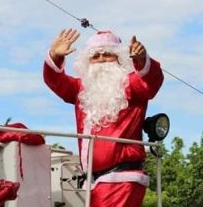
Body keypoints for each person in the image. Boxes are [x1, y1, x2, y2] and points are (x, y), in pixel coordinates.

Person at [43, 28, 164, 207]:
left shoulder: (131, 83)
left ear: (120, 59)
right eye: (95, 56)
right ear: (88, 62)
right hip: (95, 183)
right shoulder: (81, 90)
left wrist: (141, 59)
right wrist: (54, 55)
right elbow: (55, 80)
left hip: (122, 179)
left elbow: (152, 81)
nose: (101, 60)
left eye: (107, 55)